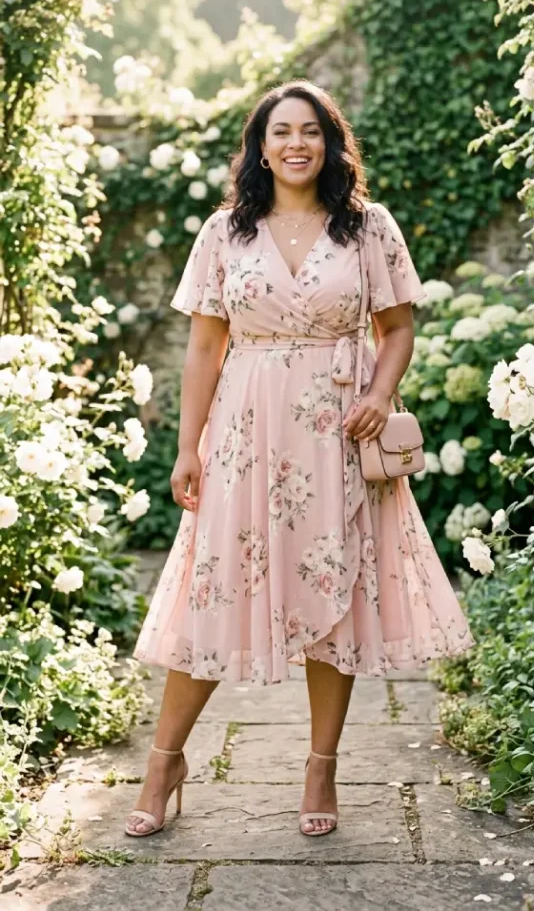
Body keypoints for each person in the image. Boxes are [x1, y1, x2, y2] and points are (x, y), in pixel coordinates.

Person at [126, 79, 475, 840]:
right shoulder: (224, 232)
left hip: (336, 432)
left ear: (330, 143)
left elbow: (397, 329)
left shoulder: (367, 226)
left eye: (310, 131)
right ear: (260, 147)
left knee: (334, 591)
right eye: (281, 131)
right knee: (216, 591)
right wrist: (187, 448)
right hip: (245, 434)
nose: (296, 144)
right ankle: (164, 762)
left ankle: (321, 766)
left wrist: (379, 393)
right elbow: (204, 348)